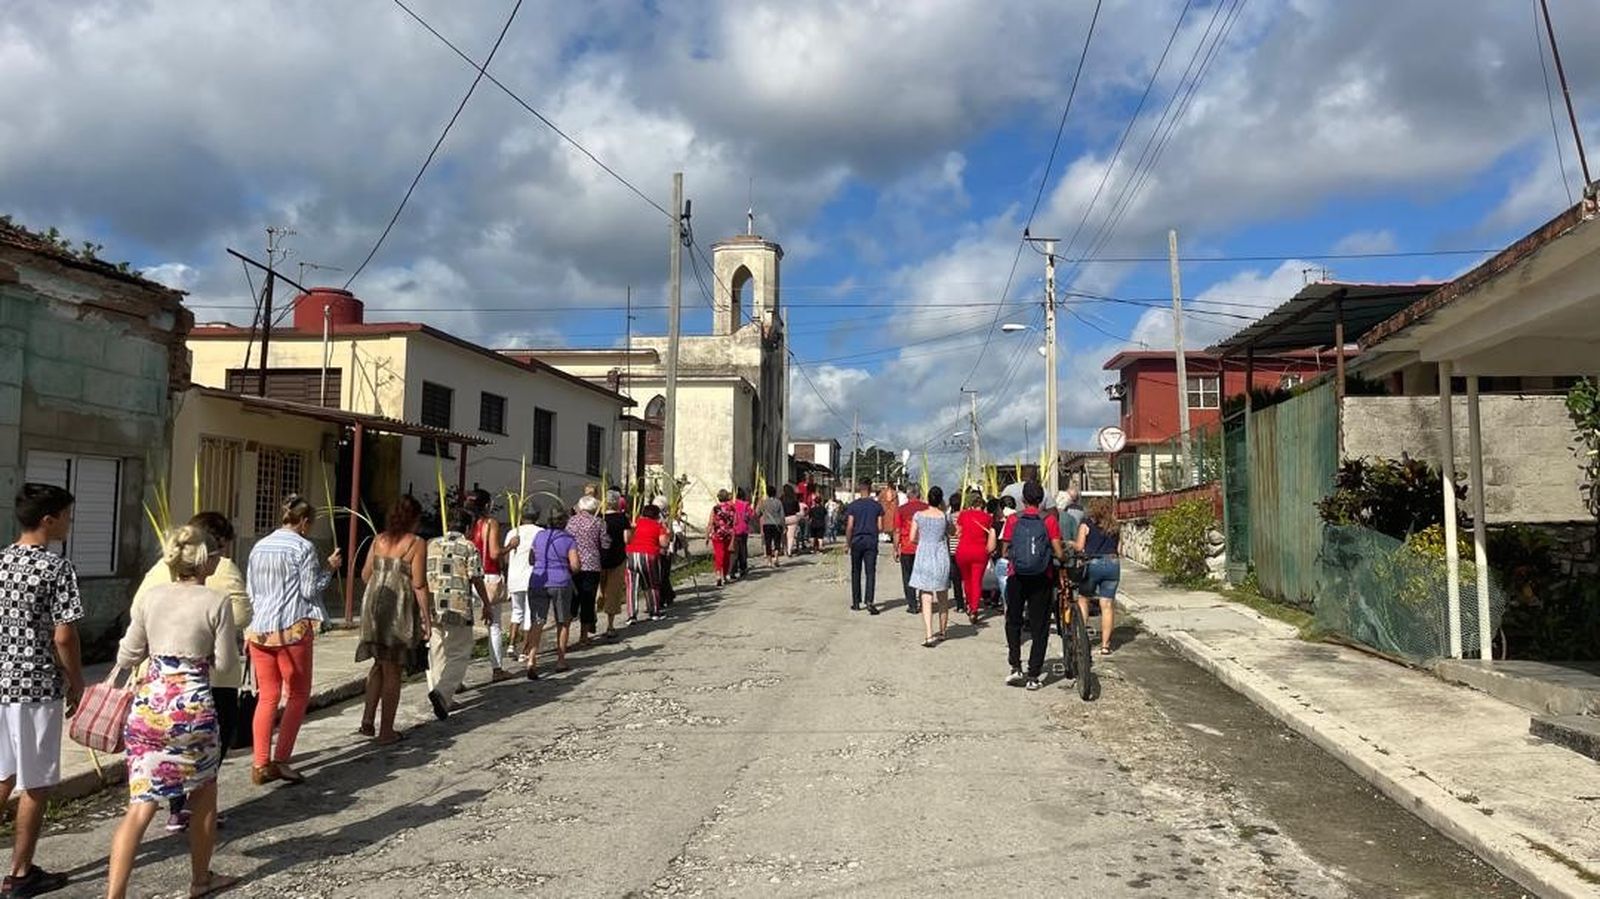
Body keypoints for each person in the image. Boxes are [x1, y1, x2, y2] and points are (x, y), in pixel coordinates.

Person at [107, 524, 240, 899]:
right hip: (193, 711)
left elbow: (127, 654)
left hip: (149, 709)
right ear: (205, 561)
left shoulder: (152, 598)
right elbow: (227, 663)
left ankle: (114, 894)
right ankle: (200, 879)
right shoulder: (216, 602)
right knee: (204, 796)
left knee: (139, 807)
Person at [127, 511, 250, 833]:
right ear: (214, 547)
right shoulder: (219, 584)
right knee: (205, 773)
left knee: (141, 803)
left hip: (152, 691)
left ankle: (172, 811)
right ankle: (200, 873)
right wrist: (203, 639)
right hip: (201, 689)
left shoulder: (157, 575)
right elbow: (239, 619)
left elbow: (131, 638)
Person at [0, 484, 84, 899]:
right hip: (35, 685)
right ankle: (19, 872)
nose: (70, 522)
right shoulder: (55, 569)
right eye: (67, 515)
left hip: (1, 682)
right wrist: (77, 682)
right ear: (48, 520)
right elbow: (64, 635)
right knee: (36, 783)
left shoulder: (1, 561)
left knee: (2, 774)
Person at [246, 495, 340, 786]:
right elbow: (310, 591)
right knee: (298, 694)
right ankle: (282, 759)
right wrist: (330, 569)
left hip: (260, 629)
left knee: (267, 696)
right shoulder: (303, 547)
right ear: (303, 522)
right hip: (292, 629)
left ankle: (260, 762)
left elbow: (252, 590)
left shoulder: (259, 546)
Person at [356, 496, 430, 746]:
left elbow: (366, 574)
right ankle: (386, 731)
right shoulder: (416, 543)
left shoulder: (378, 539)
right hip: (397, 611)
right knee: (393, 670)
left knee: (378, 663)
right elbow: (419, 583)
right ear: (414, 519)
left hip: (374, 608)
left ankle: (367, 720)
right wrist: (426, 620)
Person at [424, 507, 492, 720]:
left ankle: (441, 692)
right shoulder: (469, 546)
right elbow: (476, 577)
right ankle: (443, 693)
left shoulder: (431, 544)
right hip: (457, 605)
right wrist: (487, 604)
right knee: (459, 652)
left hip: (433, 605)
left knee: (437, 650)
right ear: (468, 527)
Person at [999, 482, 1065, 691]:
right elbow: (1058, 550)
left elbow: (1004, 550)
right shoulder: (1050, 520)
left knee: (1014, 621)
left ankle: (1016, 666)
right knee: (1040, 627)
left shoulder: (1012, 520)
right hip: (1041, 578)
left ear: (1023, 499)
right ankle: (1034, 675)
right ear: (1042, 499)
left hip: (1016, 576)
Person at [525, 508, 579, 678]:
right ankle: (561, 660)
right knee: (562, 621)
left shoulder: (539, 536)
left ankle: (531, 659)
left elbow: (531, 559)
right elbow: (575, 565)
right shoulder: (568, 539)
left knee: (537, 620)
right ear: (565, 522)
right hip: (560, 581)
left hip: (538, 580)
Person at [464, 490, 510, 682]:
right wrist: (510, 546)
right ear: (487, 505)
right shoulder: (490, 524)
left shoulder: (466, 524)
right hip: (488, 576)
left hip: (467, 577)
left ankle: (457, 677)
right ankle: (497, 668)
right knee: (494, 625)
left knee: (465, 628)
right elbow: (493, 553)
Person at [1072, 497, 1122, 656]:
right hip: (1112, 564)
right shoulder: (1115, 525)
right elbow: (1119, 548)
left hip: (1092, 563)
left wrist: (1070, 543)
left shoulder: (1086, 524)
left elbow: (1080, 547)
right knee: (1107, 605)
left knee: (1083, 599)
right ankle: (1105, 646)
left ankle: (1081, 637)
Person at [907, 487, 952, 647]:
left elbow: (912, 538)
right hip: (941, 555)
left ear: (928, 498)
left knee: (925, 595)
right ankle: (942, 631)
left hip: (924, 555)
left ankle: (928, 634)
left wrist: (924, 543)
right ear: (940, 499)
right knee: (942, 595)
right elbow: (952, 532)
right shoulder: (945, 516)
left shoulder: (918, 516)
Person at [566, 496, 609, 648]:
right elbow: (604, 544)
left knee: (572, 600)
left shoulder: (571, 521)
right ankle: (583, 636)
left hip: (573, 564)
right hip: (592, 566)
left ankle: (564, 634)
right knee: (588, 601)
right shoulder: (599, 522)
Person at [502, 506, 543, 663]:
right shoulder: (539, 532)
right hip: (531, 576)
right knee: (529, 615)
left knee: (516, 612)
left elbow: (506, 558)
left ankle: (511, 645)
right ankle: (525, 649)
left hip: (514, 576)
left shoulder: (512, 532)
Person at [953, 490, 997, 626]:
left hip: (964, 550)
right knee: (977, 580)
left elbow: (958, 532)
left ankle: (968, 603)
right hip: (980, 552)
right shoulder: (988, 518)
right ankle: (974, 609)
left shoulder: (963, 515)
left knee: (966, 579)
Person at [843, 481, 884, 615]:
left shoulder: (853, 506)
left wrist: (847, 543)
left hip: (857, 540)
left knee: (856, 571)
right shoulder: (877, 506)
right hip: (871, 541)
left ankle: (856, 602)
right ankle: (869, 601)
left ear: (859, 488)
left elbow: (850, 526)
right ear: (871, 488)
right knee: (870, 572)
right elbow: (880, 527)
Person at [627, 504, 671, 620]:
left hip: (631, 554)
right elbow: (663, 543)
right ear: (657, 515)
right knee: (653, 583)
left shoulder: (636, 522)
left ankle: (632, 615)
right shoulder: (658, 526)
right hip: (649, 555)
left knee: (631, 586)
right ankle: (655, 611)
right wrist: (667, 533)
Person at [598, 494, 629, 639]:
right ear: (617, 503)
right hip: (617, 558)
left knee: (601, 589)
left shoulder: (599, 518)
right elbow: (626, 539)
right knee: (613, 591)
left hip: (600, 558)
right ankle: (610, 626)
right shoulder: (622, 518)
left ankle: (592, 621)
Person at [894, 485, 928, 614]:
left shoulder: (901, 510)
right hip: (923, 548)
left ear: (908, 495)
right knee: (923, 576)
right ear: (919, 494)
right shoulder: (926, 508)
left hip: (907, 547)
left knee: (907, 576)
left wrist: (895, 548)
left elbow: (897, 530)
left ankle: (912, 604)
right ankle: (924, 602)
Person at [706, 490, 736, 587]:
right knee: (727, 555)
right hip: (728, 534)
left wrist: (707, 535)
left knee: (719, 554)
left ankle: (718, 574)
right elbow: (735, 523)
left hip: (717, 534)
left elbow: (710, 522)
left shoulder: (715, 508)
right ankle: (725, 575)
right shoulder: (731, 508)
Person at [759, 485, 784, 569]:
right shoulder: (779, 502)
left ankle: (769, 561)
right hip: (777, 524)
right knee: (777, 541)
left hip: (766, 524)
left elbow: (758, 513)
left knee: (768, 542)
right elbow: (782, 515)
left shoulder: (763, 502)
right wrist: (783, 525)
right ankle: (776, 557)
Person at [731, 488, 753, 579]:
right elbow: (751, 515)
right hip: (743, 529)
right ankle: (743, 568)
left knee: (734, 551)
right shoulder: (746, 505)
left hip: (734, 529)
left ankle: (733, 570)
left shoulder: (732, 504)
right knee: (743, 549)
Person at [780, 483, 801, 556]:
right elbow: (798, 509)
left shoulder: (782, 499)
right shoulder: (794, 499)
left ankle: (784, 549)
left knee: (783, 535)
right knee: (791, 536)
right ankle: (789, 551)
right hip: (793, 518)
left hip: (783, 518)